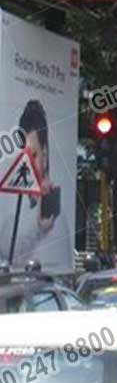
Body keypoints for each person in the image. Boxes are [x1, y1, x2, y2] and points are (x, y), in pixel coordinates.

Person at [0, 100, 70, 268]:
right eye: (23, 156)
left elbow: (16, 260)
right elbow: (7, 255)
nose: (27, 163)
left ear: (45, 155)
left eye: (33, 155)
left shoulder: (55, 219)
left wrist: (39, 229)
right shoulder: (13, 208)